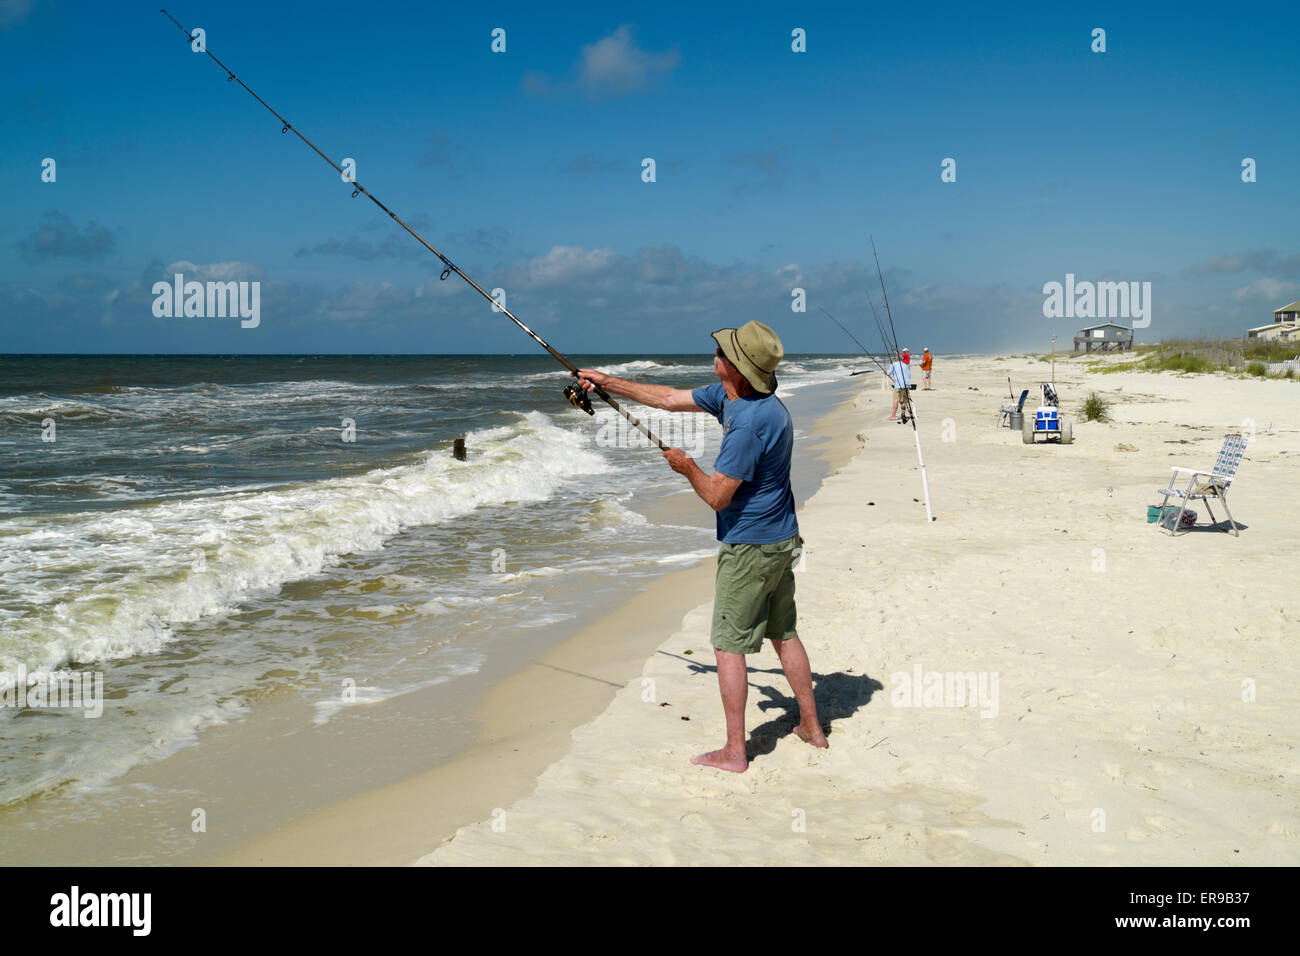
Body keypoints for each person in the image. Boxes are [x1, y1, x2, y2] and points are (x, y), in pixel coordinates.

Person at [575, 321, 827, 773]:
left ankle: (735, 753)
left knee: (727, 646)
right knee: (782, 632)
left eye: (721, 353)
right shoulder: (736, 397)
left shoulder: (748, 425)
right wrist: (605, 381)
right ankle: (811, 726)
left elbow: (716, 496)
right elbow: (669, 399)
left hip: (751, 548)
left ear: (735, 367)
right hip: (782, 538)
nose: (714, 355)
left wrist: (686, 466)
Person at [887, 352, 912, 422]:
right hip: (906, 385)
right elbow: (909, 376)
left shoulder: (893, 364)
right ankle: (903, 414)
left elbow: (888, 373)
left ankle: (893, 416)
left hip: (898, 385)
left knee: (896, 400)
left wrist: (886, 372)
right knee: (904, 400)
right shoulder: (906, 365)